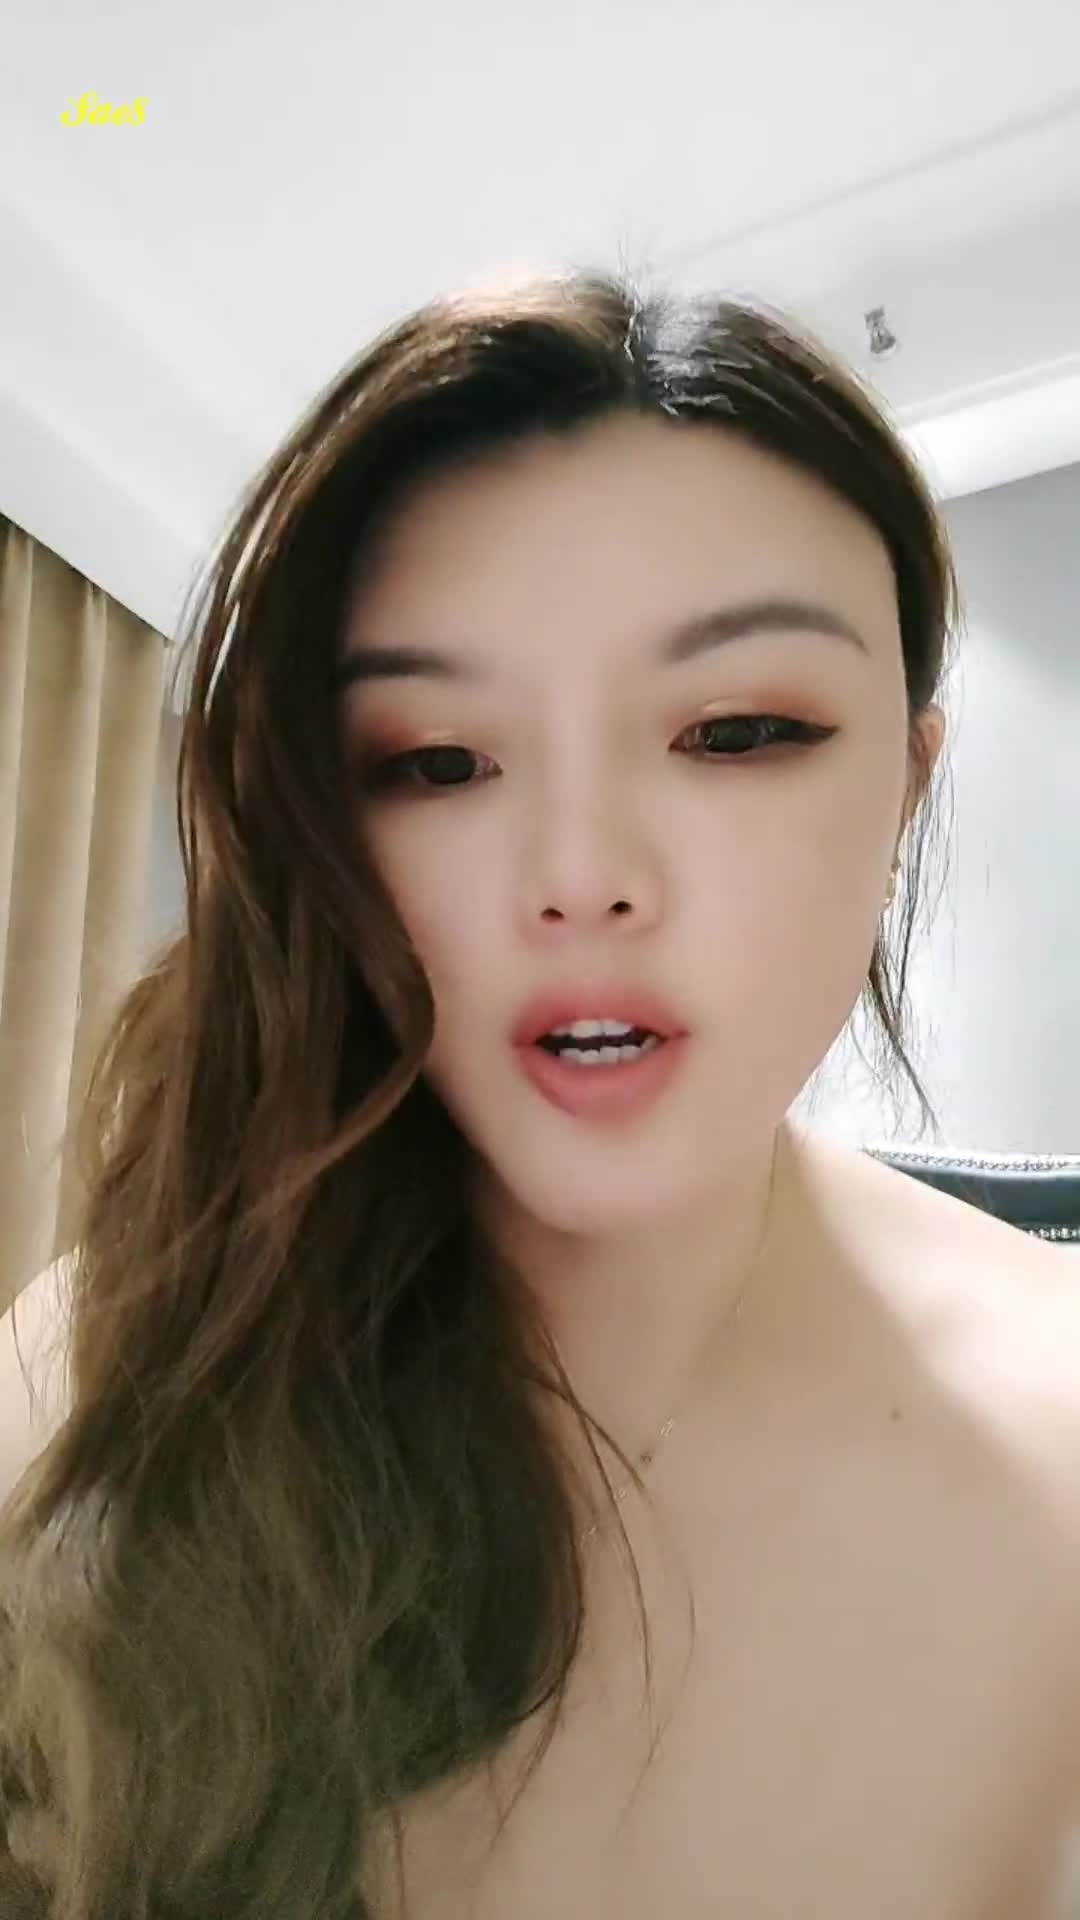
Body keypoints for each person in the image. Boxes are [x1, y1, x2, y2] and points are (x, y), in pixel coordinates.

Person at [1, 267, 1079, 1920]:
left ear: (906, 786)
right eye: (437, 762)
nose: (579, 877)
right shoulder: (114, 1366)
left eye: (736, 730)